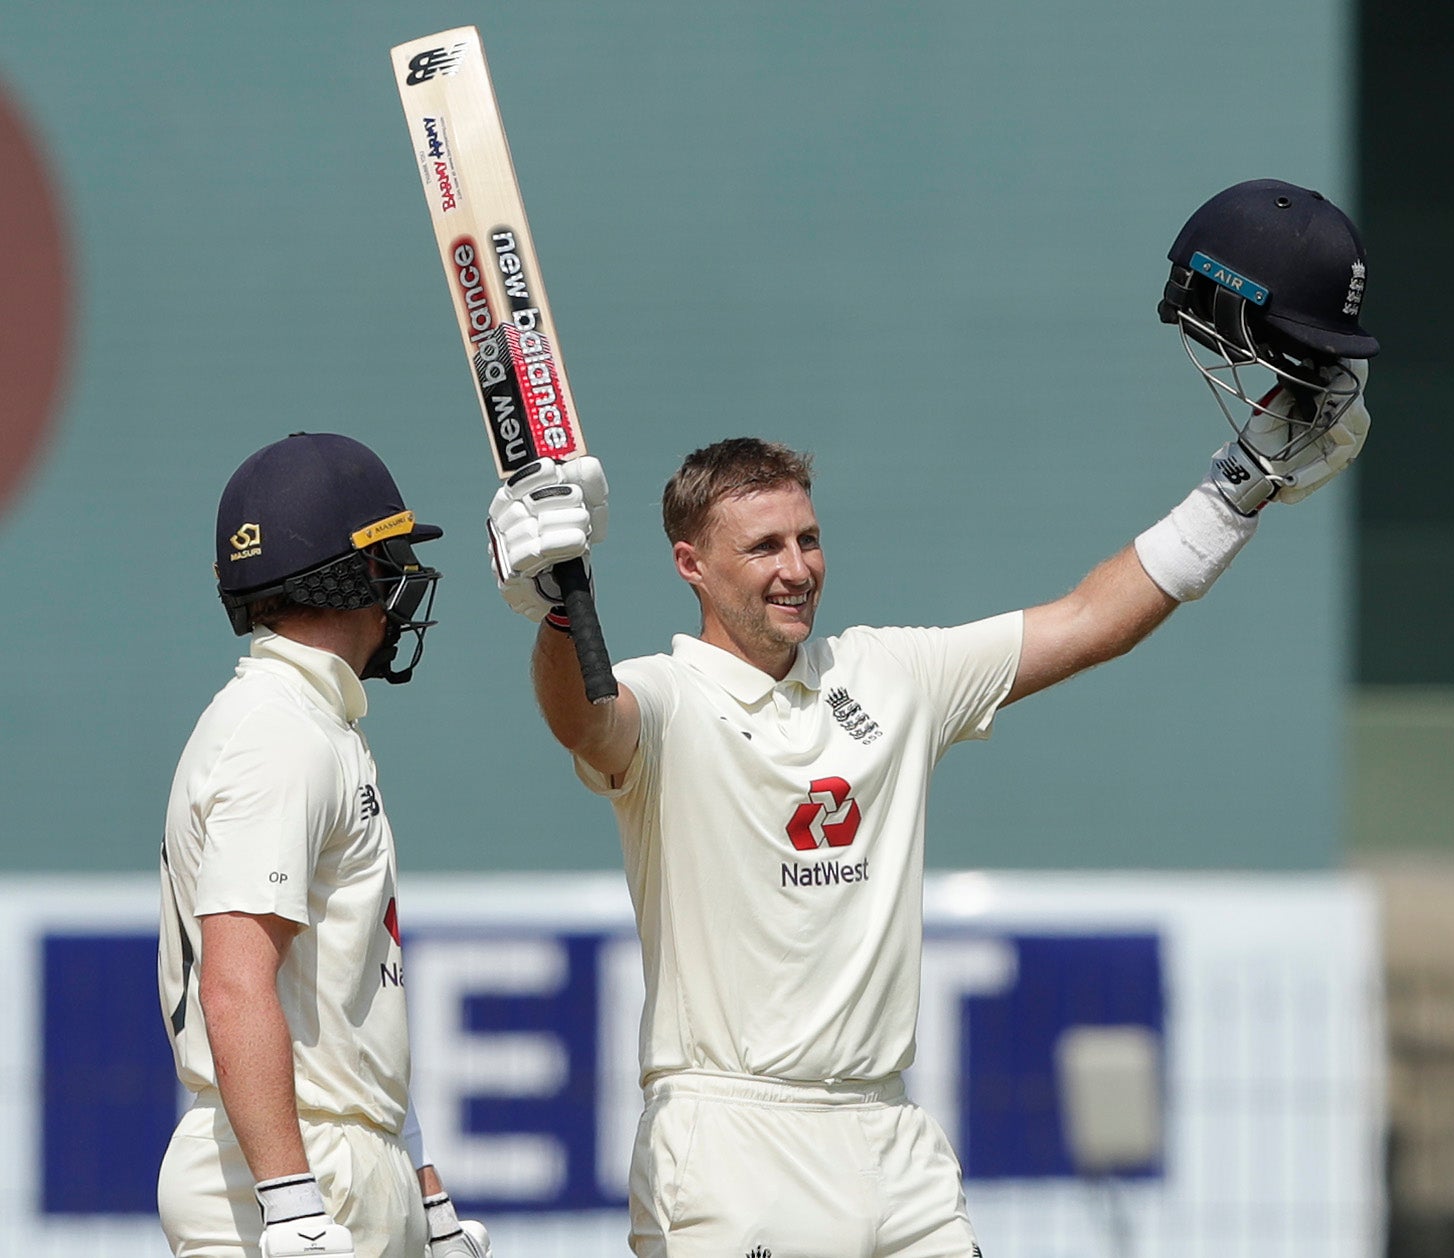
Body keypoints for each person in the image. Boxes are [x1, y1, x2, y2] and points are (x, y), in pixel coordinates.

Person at [484, 178, 1378, 1257]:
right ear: (689, 564)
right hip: (727, 1133)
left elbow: (1091, 619)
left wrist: (1233, 494)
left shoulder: (890, 674)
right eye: (763, 547)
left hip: (886, 1132)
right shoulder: (667, 701)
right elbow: (586, 722)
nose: (796, 568)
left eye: (807, 539)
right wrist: (548, 607)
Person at [157, 432, 490, 1258]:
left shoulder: (307, 724)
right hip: (286, 1172)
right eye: (391, 563)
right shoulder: (277, 733)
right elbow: (234, 986)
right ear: (355, 573)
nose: (402, 588)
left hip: (329, 1158)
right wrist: (291, 1206)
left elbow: (345, 1011)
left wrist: (422, 1191)